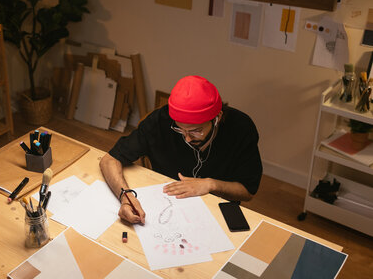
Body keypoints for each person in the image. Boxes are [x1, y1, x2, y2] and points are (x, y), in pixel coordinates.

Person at [99, 75, 262, 224]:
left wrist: (211, 184)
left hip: (214, 213)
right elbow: (110, 159)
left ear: (217, 118)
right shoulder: (159, 121)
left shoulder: (241, 129)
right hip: (166, 207)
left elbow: (247, 192)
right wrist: (125, 197)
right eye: (180, 130)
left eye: (196, 131)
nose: (187, 138)